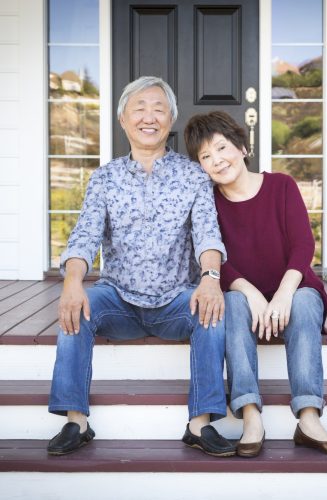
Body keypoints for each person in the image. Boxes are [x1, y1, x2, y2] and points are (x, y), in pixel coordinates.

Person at [47, 77, 236, 458]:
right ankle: (75, 421)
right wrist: (71, 280)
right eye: (140, 108)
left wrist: (211, 279)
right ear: (122, 119)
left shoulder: (194, 176)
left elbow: (208, 236)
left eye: (158, 109)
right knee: (75, 306)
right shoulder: (104, 178)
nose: (149, 117)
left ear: (170, 120)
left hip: (175, 302)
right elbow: (84, 235)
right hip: (118, 298)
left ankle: (200, 424)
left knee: (213, 309)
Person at [184, 111, 327, 458]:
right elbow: (215, 260)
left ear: (242, 147)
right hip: (246, 296)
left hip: (293, 287)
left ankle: (308, 418)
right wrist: (249, 291)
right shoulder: (209, 203)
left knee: (305, 301)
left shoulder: (281, 186)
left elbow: (303, 246)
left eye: (221, 148)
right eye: (205, 156)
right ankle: (250, 414)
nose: (217, 160)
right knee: (230, 302)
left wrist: (285, 293)